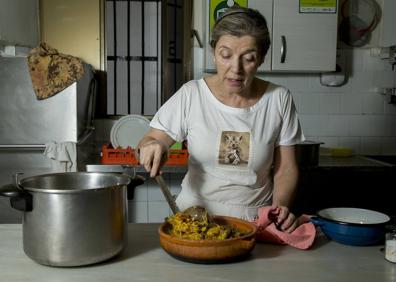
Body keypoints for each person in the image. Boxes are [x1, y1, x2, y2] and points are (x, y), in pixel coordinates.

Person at [136, 6, 304, 233]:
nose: (236, 69)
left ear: (262, 58)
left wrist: (280, 208)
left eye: (249, 58)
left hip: (256, 223)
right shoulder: (192, 94)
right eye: (226, 55)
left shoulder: (279, 99)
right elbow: (149, 141)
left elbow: (286, 168)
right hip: (193, 219)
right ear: (213, 51)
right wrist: (151, 145)